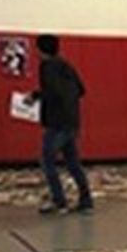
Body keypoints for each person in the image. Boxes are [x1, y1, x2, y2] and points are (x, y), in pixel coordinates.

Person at [29, 34, 93, 215]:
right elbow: (81, 89)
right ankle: (85, 199)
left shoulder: (47, 67)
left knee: (47, 160)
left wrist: (36, 96)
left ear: (40, 50)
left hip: (56, 122)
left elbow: (52, 92)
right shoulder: (66, 65)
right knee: (72, 162)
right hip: (72, 119)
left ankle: (59, 200)